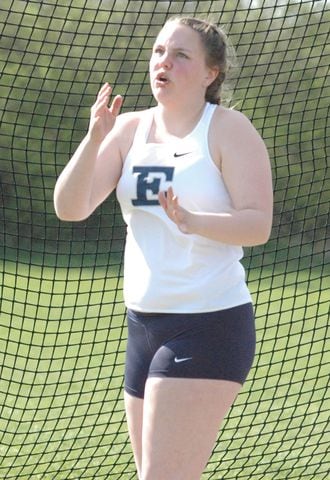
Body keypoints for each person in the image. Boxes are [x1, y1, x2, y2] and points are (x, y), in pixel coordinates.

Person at [54, 16, 273, 480]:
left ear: (211, 73)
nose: (163, 63)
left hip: (209, 325)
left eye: (180, 55)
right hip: (143, 324)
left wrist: (192, 221)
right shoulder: (129, 128)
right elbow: (70, 208)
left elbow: (258, 224)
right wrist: (94, 139)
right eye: (158, 52)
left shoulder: (228, 129)